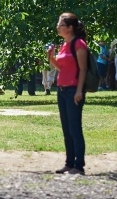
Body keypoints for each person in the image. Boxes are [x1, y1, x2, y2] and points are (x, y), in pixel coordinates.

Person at [47, 12, 89, 175]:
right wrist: (51, 58)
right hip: (62, 89)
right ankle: (69, 163)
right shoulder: (64, 44)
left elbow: (83, 69)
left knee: (74, 128)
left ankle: (79, 166)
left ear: (70, 28)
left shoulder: (79, 44)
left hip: (73, 90)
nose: (58, 27)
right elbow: (61, 68)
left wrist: (79, 90)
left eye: (61, 25)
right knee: (66, 129)